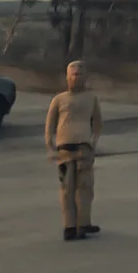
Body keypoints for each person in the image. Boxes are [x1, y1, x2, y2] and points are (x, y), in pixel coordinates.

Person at [45, 60, 103, 241]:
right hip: (65, 150)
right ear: (67, 76)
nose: (76, 77)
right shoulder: (59, 99)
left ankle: (83, 223)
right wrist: (50, 144)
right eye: (73, 74)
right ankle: (69, 226)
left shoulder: (91, 98)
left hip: (84, 149)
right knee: (67, 189)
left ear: (85, 77)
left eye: (79, 74)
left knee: (85, 188)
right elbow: (50, 124)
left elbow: (98, 123)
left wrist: (94, 142)